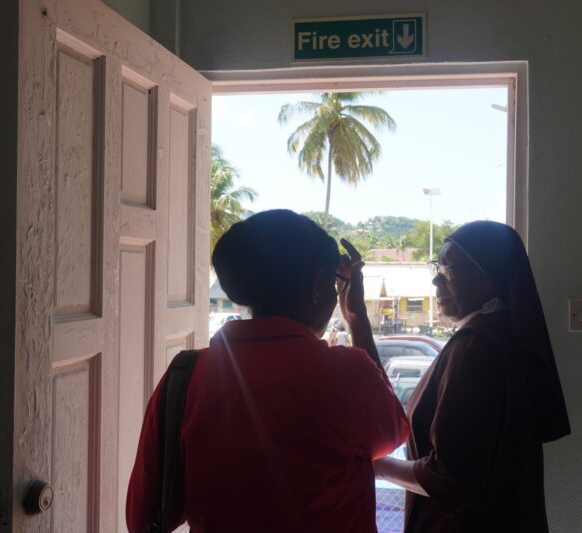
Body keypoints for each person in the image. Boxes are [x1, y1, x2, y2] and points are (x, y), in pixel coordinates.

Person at [127, 209, 409, 533]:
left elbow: (142, 516)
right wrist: (357, 317)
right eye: (335, 282)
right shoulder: (346, 376)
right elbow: (392, 432)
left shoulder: (186, 379)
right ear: (317, 285)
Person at [373, 221, 571, 532]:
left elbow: (450, 478)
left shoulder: (475, 347)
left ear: (489, 276)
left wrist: (377, 466)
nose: (437, 279)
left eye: (450, 269)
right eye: (437, 266)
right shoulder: (504, 334)